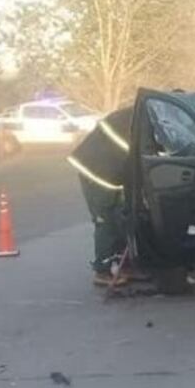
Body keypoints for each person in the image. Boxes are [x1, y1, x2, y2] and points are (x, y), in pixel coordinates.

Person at [67, 106, 142, 286]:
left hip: (112, 170)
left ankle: (126, 266)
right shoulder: (143, 119)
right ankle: (102, 271)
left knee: (122, 218)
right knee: (106, 220)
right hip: (97, 172)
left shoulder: (142, 114)